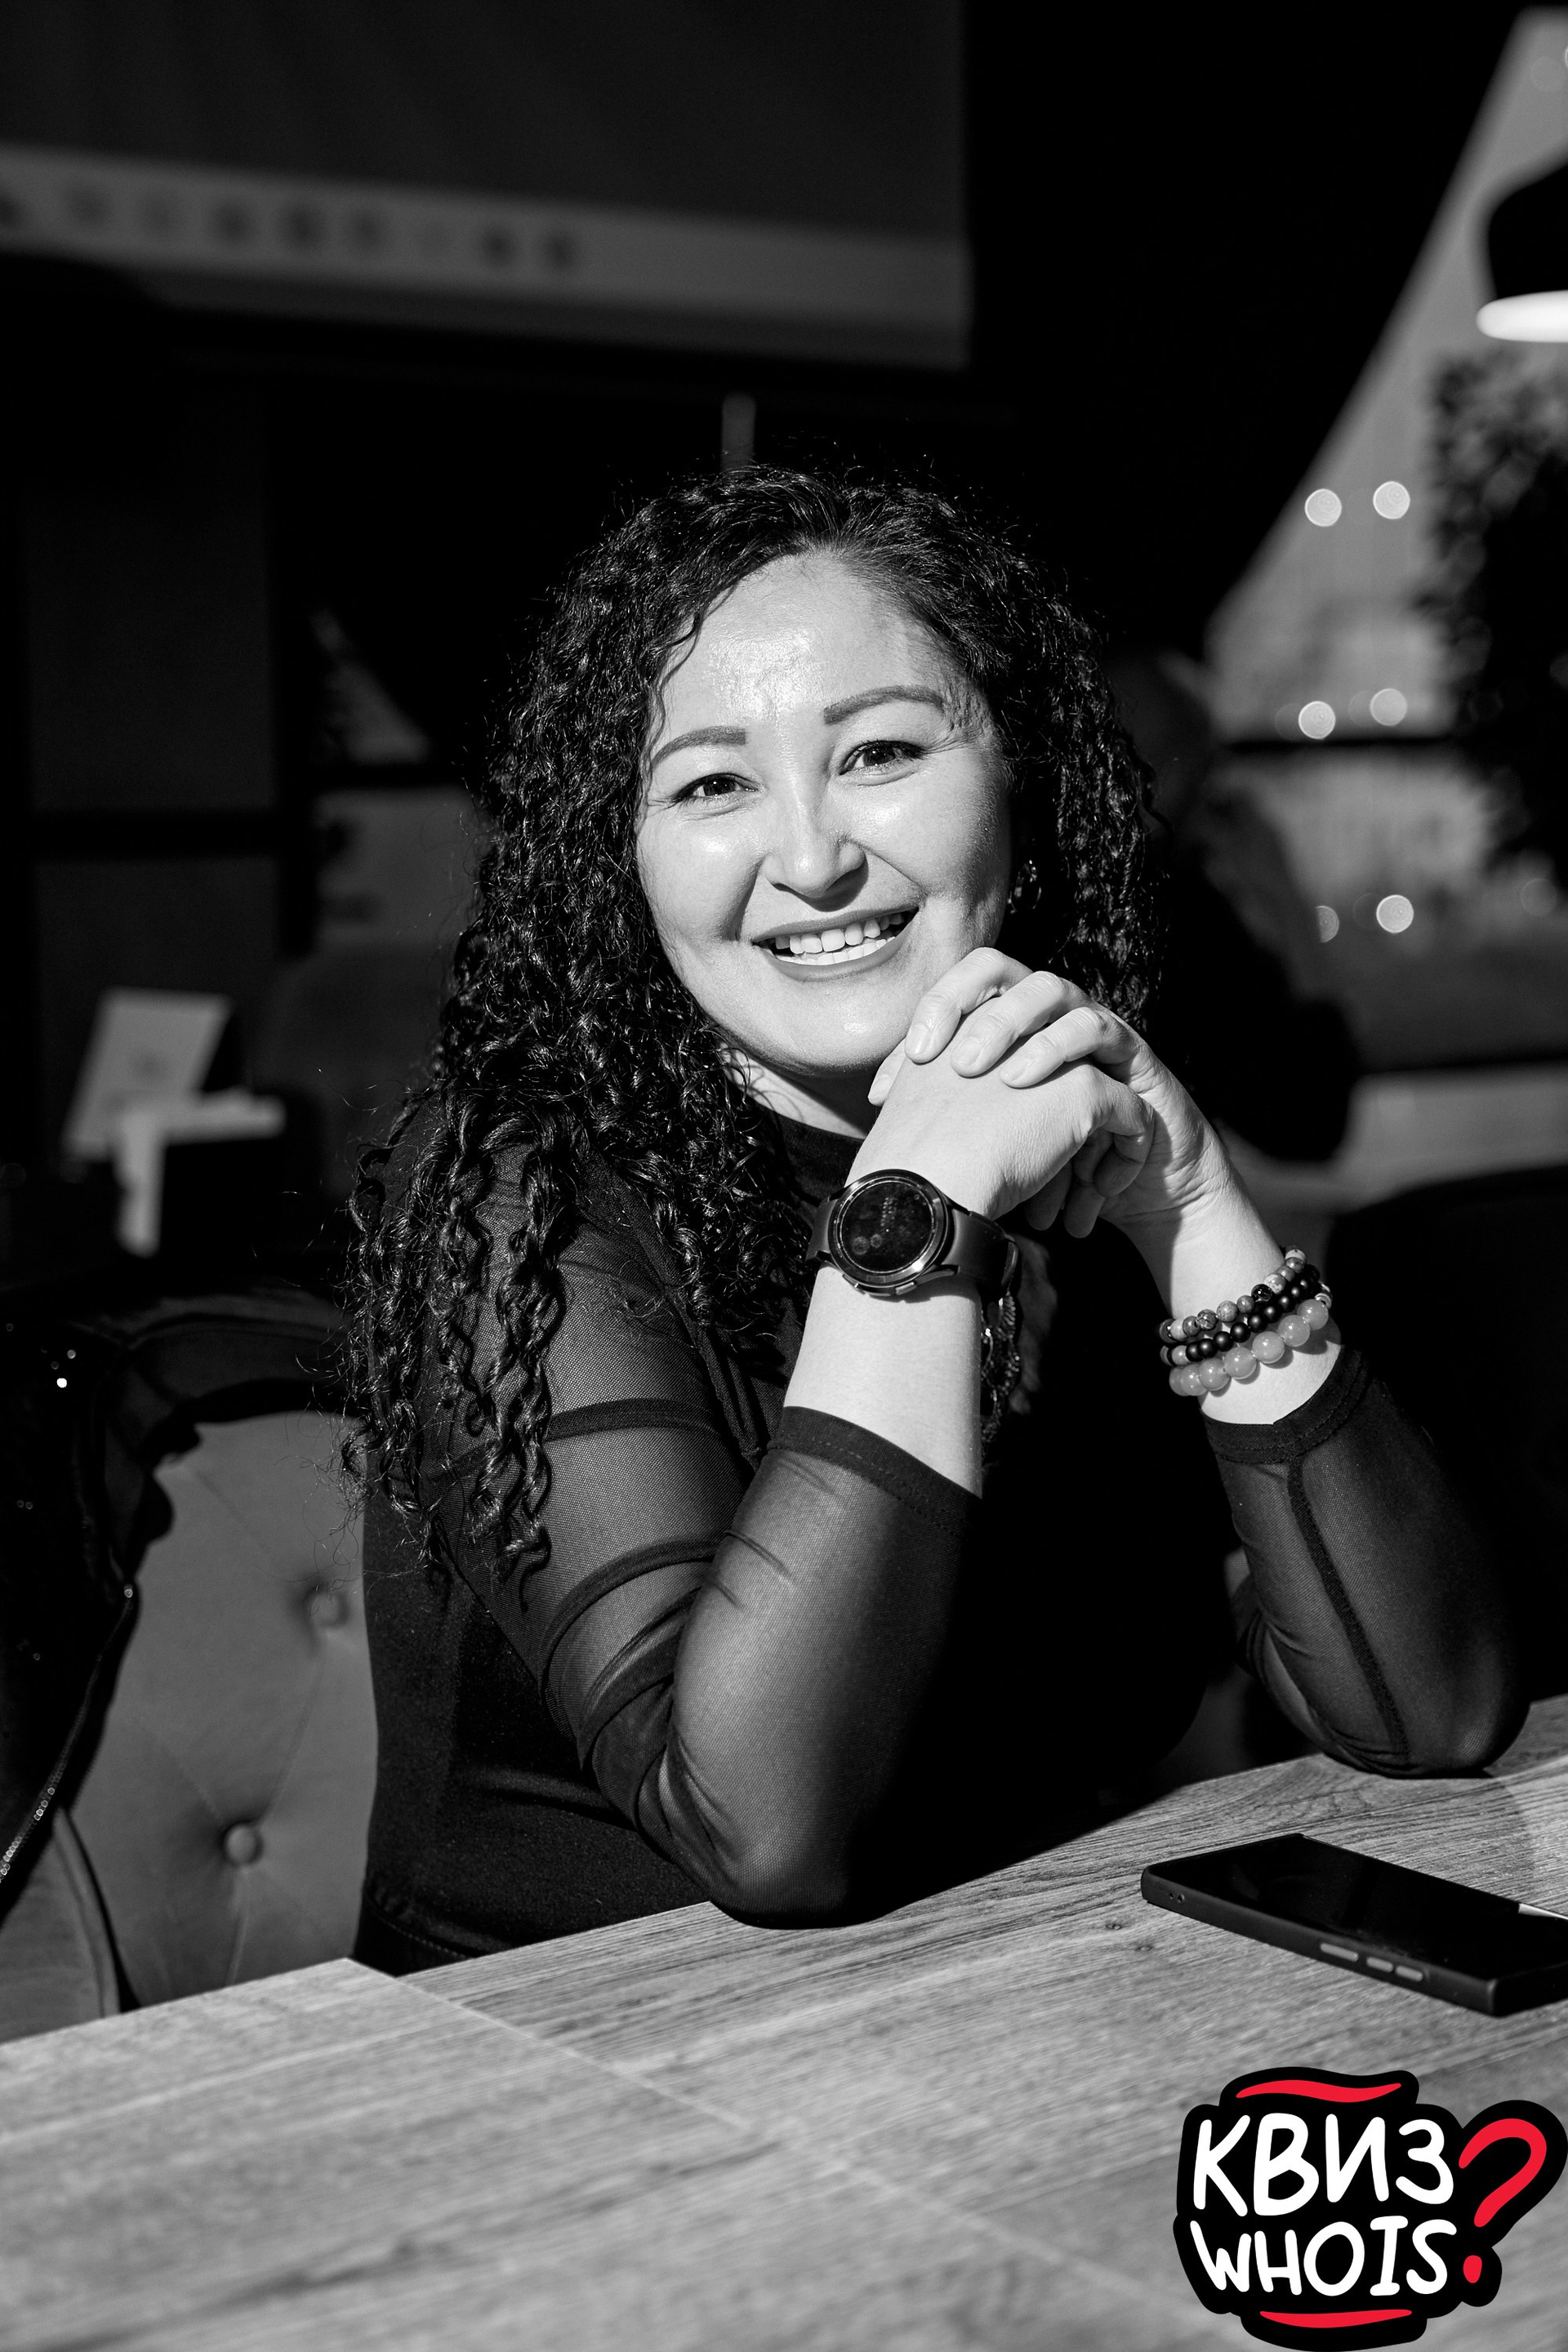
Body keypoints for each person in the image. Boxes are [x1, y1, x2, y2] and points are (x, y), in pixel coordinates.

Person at [346, 468, 1523, 1974]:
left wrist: (1193, 1201)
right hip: (579, 2058)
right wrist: (918, 1215)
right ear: (618, 858)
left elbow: (1432, 1709)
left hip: (1026, 2004)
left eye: (881, 753)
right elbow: (762, 1830)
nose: (812, 857)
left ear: (1019, 788)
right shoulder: (524, 1193)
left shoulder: (1074, 1143)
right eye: (710, 785)